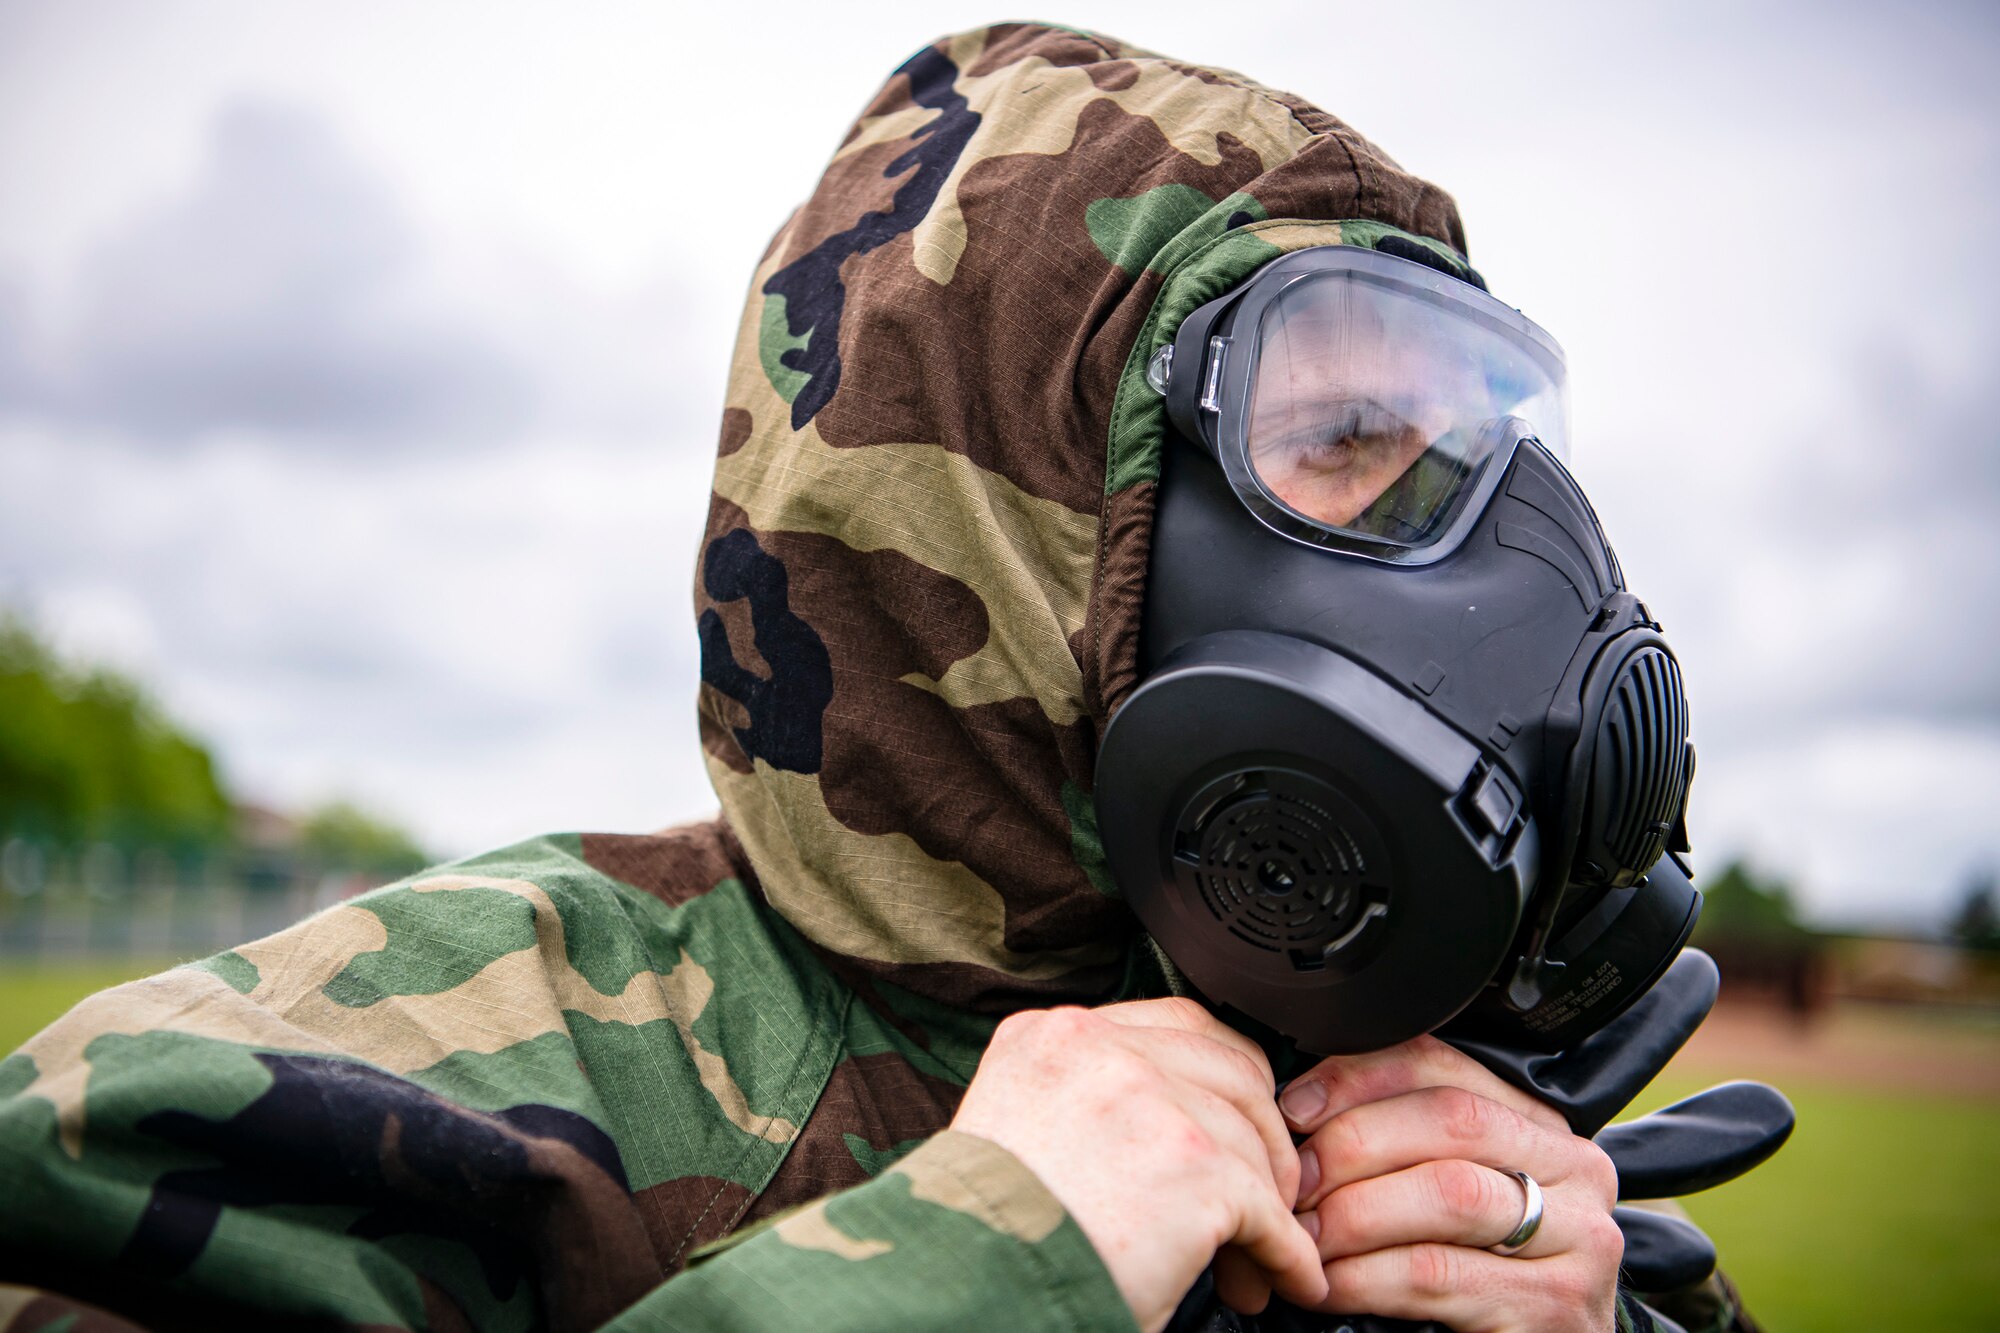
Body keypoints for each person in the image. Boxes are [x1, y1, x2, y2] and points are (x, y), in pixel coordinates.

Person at [0, 22, 1756, 1333]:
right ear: (1029, 508)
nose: (1506, 546)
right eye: (1354, 433)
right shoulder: (412, 1078)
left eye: (1475, 439)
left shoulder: (1411, 1113)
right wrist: (990, 1259)